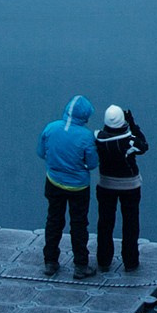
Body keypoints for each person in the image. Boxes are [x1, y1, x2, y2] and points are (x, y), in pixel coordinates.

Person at [37, 95, 100, 277]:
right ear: (85, 116)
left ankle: (50, 261)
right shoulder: (86, 136)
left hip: (54, 182)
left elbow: (41, 153)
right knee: (79, 224)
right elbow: (93, 163)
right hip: (78, 188)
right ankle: (80, 265)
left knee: (54, 221)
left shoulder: (51, 128)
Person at [94, 102, 149, 272]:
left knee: (105, 223)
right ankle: (130, 261)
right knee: (130, 224)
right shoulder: (129, 141)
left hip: (105, 185)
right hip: (130, 187)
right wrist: (132, 123)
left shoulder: (97, 138)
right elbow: (144, 146)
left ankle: (103, 260)